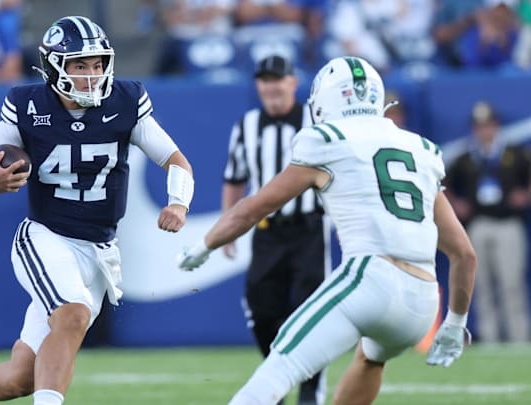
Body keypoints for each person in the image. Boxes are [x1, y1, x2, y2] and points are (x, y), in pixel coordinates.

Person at [178, 56, 477, 405]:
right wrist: (455, 324)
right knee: (370, 359)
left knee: (280, 365)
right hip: (422, 301)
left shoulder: (327, 139)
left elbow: (256, 205)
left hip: (370, 279)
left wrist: (204, 245)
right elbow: (464, 253)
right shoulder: (421, 149)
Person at [0, 15, 194, 405]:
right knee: (72, 314)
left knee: (21, 377)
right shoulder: (27, 105)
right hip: (46, 236)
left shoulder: (125, 101)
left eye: (97, 64)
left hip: (100, 249)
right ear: (54, 65)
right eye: (79, 65)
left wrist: (178, 202)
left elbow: (176, 161)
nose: (91, 75)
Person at [221, 54, 328, 405]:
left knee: (310, 309)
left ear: (293, 83)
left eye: (277, 79)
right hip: (266, 231)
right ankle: (276, 380)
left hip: (308, 228)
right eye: (264, 80)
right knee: (261, 308)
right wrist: (229, 226)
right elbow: (235, 179)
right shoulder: (247, 125)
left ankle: (311, 388)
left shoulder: (316, 121)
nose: (270, 86)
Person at [444, 100, 531, 343]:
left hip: (509, 223)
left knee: (511, 283)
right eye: (480, 126)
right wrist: (456, 205)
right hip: (478, 224)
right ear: (474, 129)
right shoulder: (465, 158)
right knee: (480, 285)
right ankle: (490, 338)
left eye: (489, 125)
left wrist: (525, 194)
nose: (485, 131)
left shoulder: (516, 153)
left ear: (497, 126)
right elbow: (443, 187)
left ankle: (518, 337)